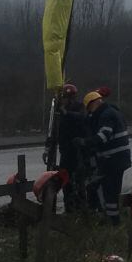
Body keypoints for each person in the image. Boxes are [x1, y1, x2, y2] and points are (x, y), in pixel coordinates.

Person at [77, 89, 131, 225]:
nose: (89, 113)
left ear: (93, 104)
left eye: (89, 109)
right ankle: (112, 220)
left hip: (113, 160)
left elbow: (103, 136)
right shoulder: (113, 112)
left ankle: (113, 222)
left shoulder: (106, 115)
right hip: (118, 159)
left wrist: (85, 142)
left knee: (109, 192)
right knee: (110, 192)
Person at [56, 83, 90, 212]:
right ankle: (69, 208)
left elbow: (82, 117)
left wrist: (67, 113)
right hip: (65, 151)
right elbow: (55, 131)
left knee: (79, 181)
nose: (68, 100)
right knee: (65, 181)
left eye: (70, 97)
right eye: (65, 97)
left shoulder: (79, 107)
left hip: (77, 152)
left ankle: (82, 208)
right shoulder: (59, 112)